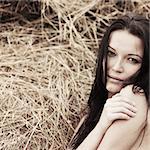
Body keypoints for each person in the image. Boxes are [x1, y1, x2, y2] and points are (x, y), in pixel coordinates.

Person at [68, 13, 149, 150]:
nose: (117, 67)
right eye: (111, 53)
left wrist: (100, 127)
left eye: (132, 60)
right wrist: (100, 125)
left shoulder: (133, 98)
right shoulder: (99, 112)